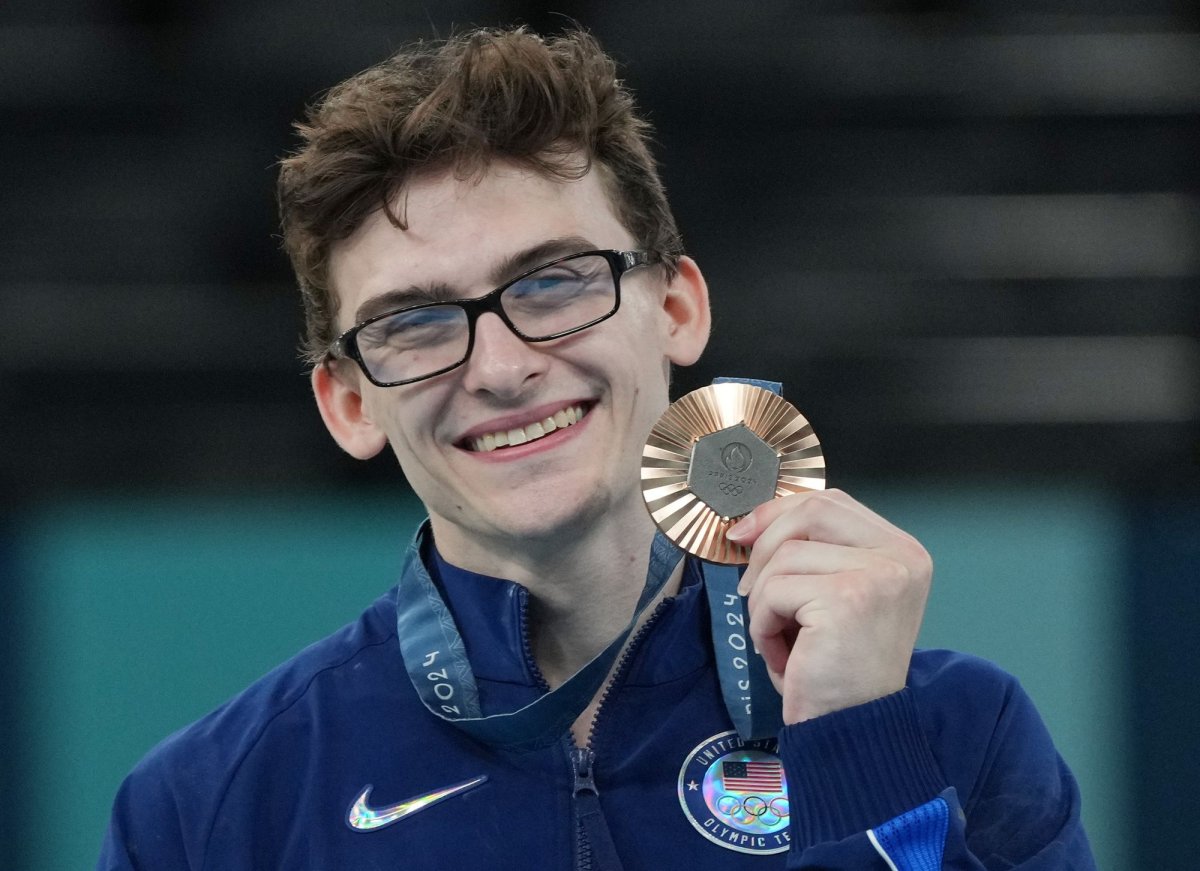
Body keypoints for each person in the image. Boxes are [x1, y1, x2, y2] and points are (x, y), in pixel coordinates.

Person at [98, 27, 1096, 870]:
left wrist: (855, 749)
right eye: (415, 323)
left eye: (553, 282)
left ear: (675, 306)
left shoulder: (958, 729)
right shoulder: (210, 809)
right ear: (349, 402)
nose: (497, 366)